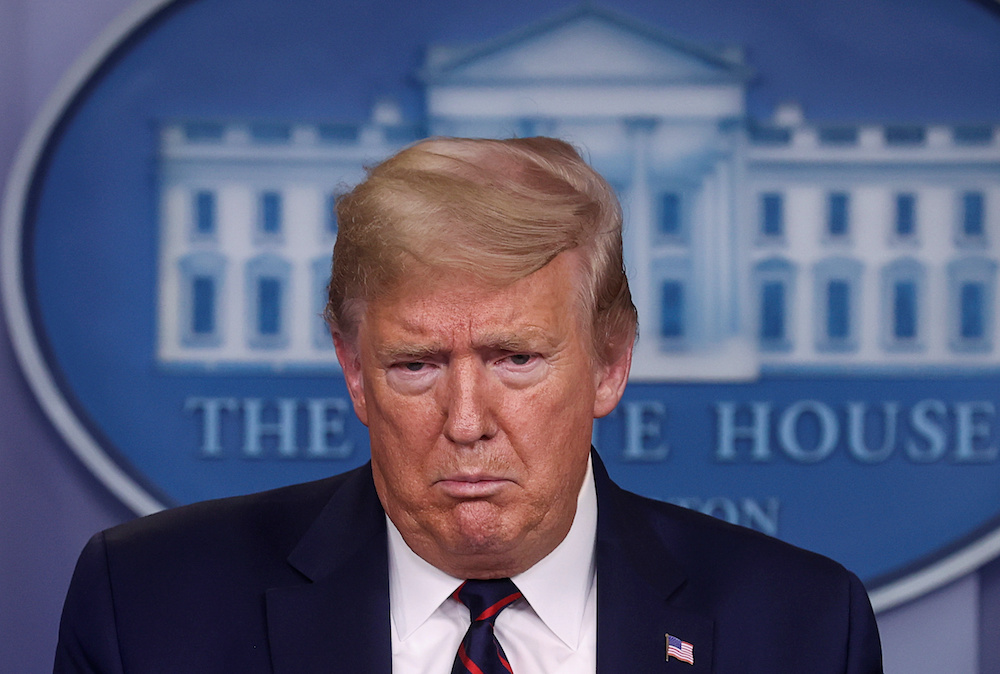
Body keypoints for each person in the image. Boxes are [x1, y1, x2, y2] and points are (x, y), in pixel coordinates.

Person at [55, 137, 882, 673]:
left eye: (514, 359)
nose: (465, 421)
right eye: (415, 365)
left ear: (610, 363)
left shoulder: (803, 631)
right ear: (353, 370)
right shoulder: (148, 607)